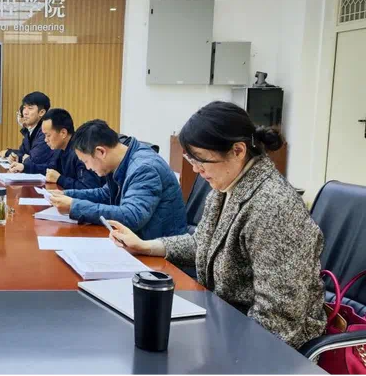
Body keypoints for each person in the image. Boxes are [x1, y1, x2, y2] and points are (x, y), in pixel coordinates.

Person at [104, 101, 326, 348]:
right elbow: (203, 243)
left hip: (264, 344)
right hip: (224, 322)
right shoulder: (225, 188)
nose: (195, 169)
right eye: (191, 159)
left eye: (202, 160)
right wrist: (146, 246)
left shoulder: (274, 207)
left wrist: (217, 352)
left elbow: (278, 320)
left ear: (238, 150)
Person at [49, 119, 186, 239]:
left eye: (86, 161)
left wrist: (75, 207)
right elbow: (106, 194)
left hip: (160, 251)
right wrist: (67, 195)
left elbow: (132, 216)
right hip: (137, 242)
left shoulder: (144, 169)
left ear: (100, 152)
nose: (88, 167)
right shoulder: (122, 160)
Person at [9, 108, 102, 190]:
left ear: (63, 133)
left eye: (48, 135)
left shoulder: (81, 152)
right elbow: (50, 169)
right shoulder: (60, 149)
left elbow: (89, 188)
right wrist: (25, 167)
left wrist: (60, 179)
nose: (45, 140)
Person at [0, 92, 55, 166]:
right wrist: (16, 157)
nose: (25, 113)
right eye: (24, 108)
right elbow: (23, 152)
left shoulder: (44, 132)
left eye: (30, 108)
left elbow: (34, 158)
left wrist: (12, 154)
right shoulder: (31, 130)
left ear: (41, 112)